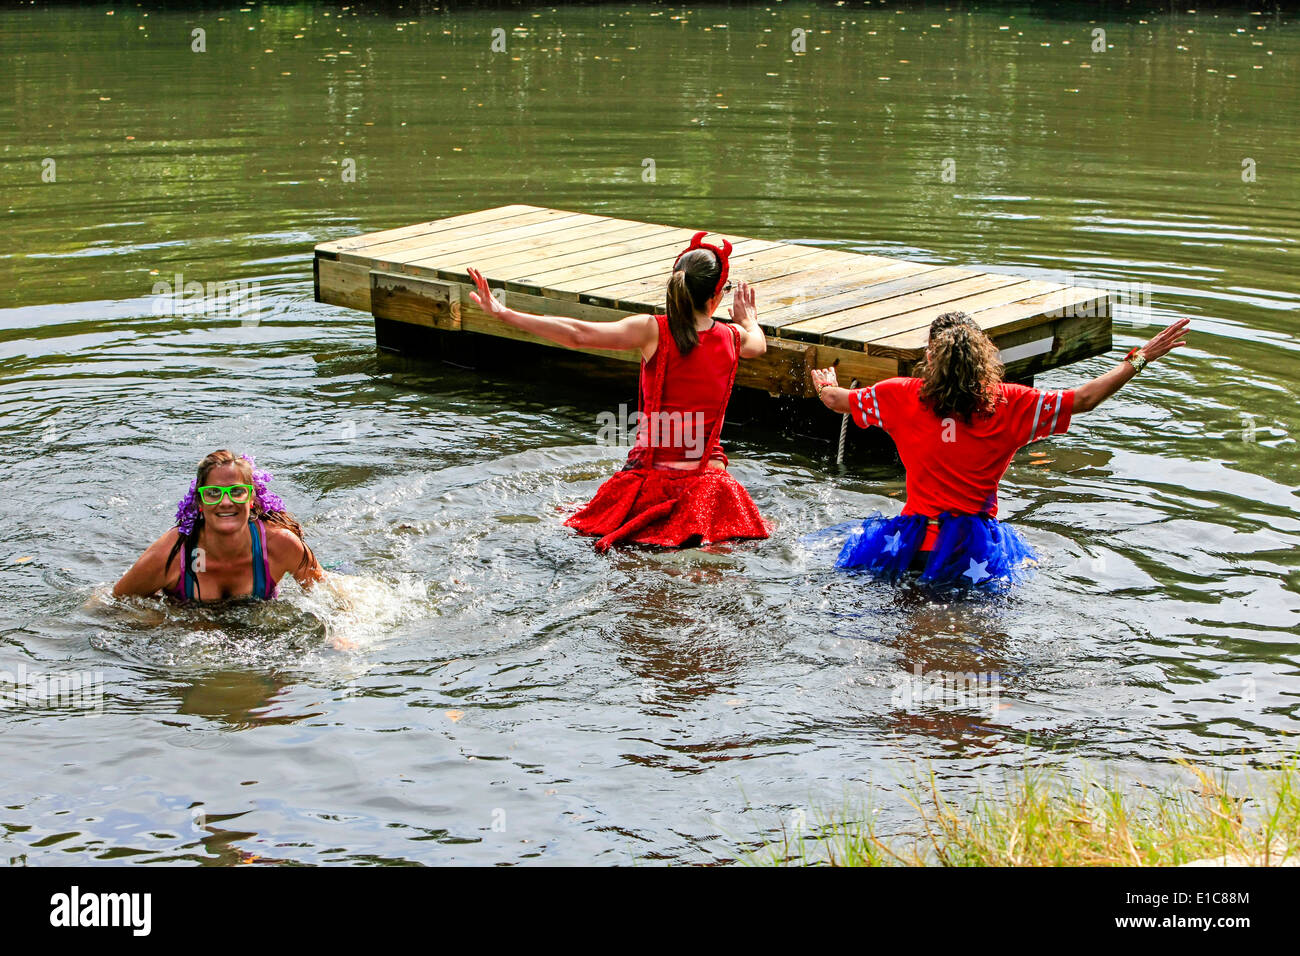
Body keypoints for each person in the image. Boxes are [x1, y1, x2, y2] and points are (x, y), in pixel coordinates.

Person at [811, 312, 1190, 587]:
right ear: (986, 360)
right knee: (974, 631)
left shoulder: (898, 396)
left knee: (908, 627)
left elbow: (834, 400)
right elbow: (1085, 399)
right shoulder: (1011, 404)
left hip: (910, 546)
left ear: (929, 359)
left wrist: (826, 384)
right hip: (972, 550)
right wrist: (1140, 358)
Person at [466, 231, 770, 551]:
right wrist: (749, 320)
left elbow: (577, 335)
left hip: (652, 484)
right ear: (716, 297)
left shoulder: (653, 330)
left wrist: (504, 313)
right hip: (710, 490)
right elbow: (759, 345)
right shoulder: (735, 337)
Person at [113, 449, 325, 602]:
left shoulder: (280, 545)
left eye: (236, 492)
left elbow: (331, 597)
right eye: (213, 493)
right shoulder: (171, 555)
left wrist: (341, 637)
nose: (225, 502)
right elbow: (111, 605)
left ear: (251, 498)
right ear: (200, 502)